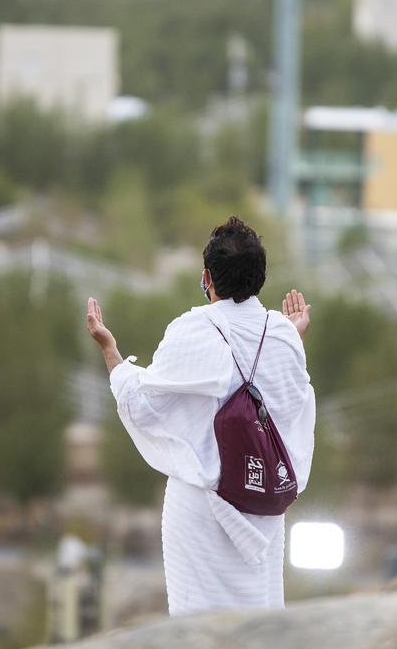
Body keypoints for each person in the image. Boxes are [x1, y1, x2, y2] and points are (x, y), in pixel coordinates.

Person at [85, 215, 316, 616]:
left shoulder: (193, 330)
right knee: (260, 625)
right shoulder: (283, 335)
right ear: (260, 278)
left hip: (202, 512)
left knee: (197, 625)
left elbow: (143, 405)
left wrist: (110, 350)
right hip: (262, 506)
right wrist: (292, 338)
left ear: (207, 277)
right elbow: (289, 410)